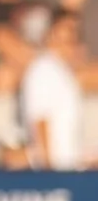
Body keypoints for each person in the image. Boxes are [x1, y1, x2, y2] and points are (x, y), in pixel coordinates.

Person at [20, 10, 86, 170]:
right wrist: (49, 174)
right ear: (51, 33)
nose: (71, 37)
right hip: (55, 171)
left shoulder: (62, 71)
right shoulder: (44, 68)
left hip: (68, 168)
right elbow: (40, 121)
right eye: (66, 30)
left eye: (74, 31)